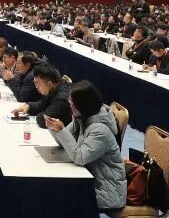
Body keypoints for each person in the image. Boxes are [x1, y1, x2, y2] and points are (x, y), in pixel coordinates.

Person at [45, 80, 126, 210]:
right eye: (70, 102)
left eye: (73, 104)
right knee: (54, 190)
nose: (70, 107)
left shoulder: (100, 130)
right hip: (91, 180)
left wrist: (62, 131)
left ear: (84, 105)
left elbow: (80, 157)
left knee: (57, 196)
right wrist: (55, 128)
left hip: (108, 191)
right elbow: (63, 143)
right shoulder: (82, 117)